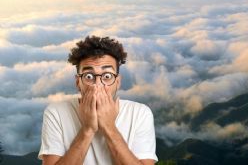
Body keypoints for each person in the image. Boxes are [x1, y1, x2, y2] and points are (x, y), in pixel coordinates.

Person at [38, 36, 158, 165]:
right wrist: (87, 129)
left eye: (107, 76)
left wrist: (109, 127)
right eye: (89, 76)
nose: (97, 85)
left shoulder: (140, 113)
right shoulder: (56, 112)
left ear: (117, 82)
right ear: (78, 82)